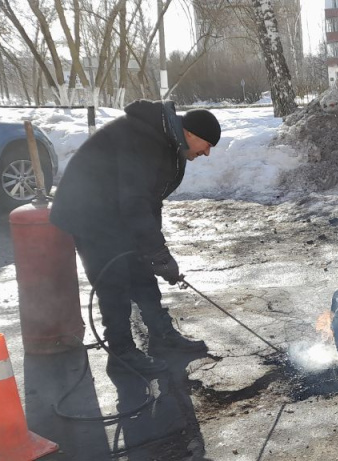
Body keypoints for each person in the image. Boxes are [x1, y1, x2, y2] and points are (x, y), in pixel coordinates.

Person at [51, 100, 221, 375]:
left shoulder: (167, 142)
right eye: (207, 145)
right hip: (88, 212)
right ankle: (121, 353)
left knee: (142, 270)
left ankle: (161, 335)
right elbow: (135, 202)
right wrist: (158, 253)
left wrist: (155, 252)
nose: (208, 153)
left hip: (114, 209)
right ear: (191, 134)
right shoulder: (144, 140)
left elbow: (150, 200)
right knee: (114, 280)